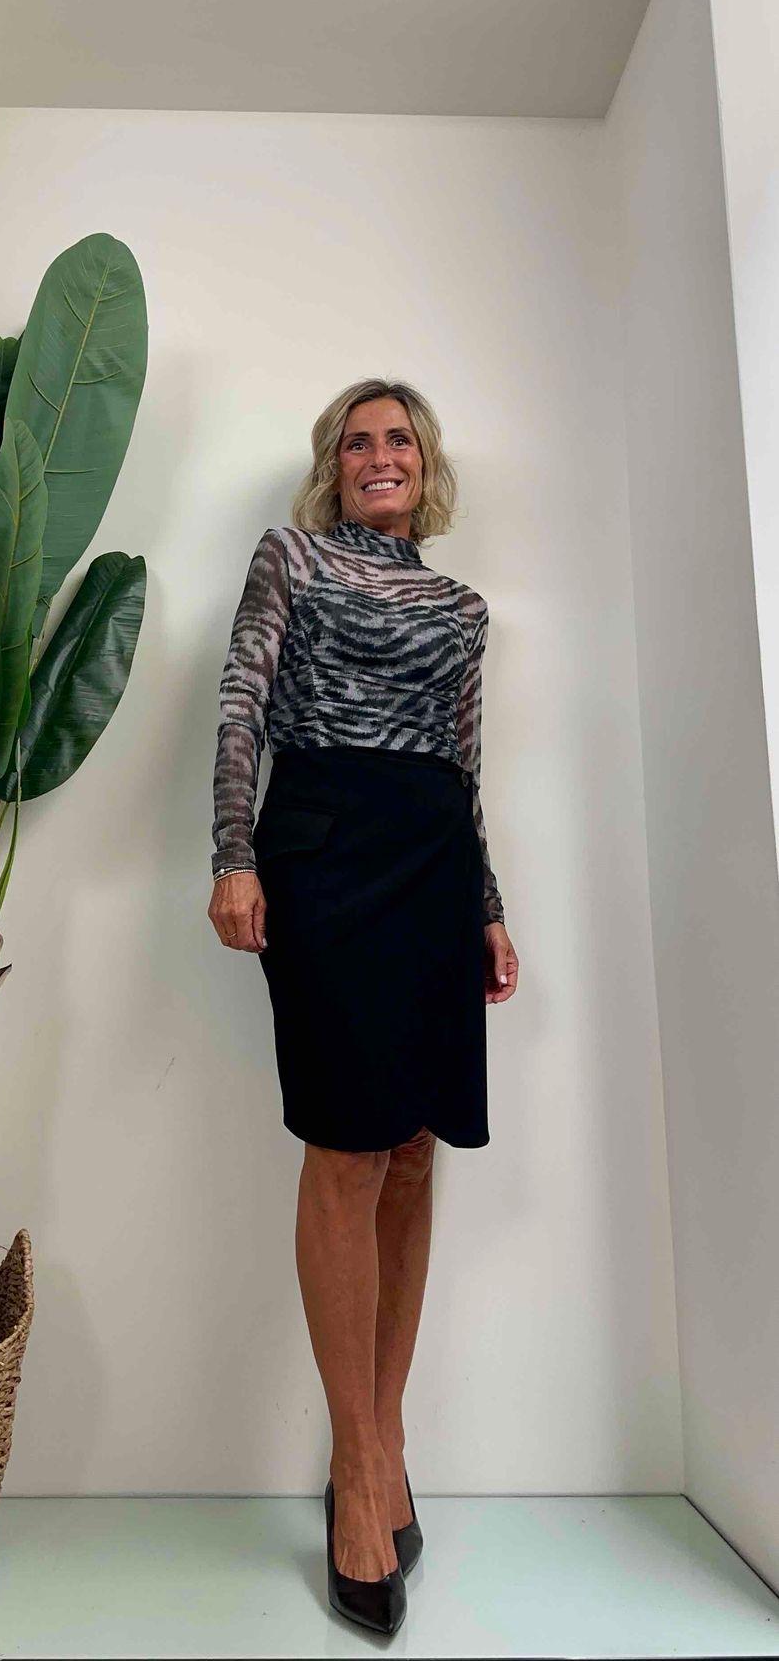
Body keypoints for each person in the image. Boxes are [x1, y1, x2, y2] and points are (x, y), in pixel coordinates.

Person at [207, 379, 519, 1636]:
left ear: (423, 465)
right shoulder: (289, 557)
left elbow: (464, 759)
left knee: (411, 1148)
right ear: (331, 468)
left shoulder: (461, 609)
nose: (376, 455)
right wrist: (232, 855)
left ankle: (383, 1442)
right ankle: (351, 1475)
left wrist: (485, 901)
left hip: (432, 864)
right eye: (355, 442)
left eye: (397, 440)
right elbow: (240, 702)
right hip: (325, 854)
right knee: (344, 1148)